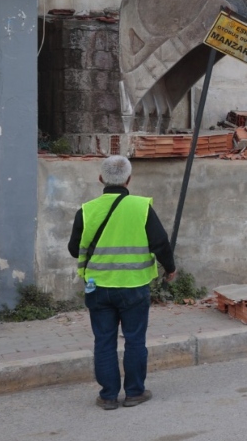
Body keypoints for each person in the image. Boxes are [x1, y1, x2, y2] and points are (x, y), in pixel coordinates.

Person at [68, 155, 176, 410]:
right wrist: (170, 269)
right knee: (135, 340)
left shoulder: (86, 211)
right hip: (134, 287)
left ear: (100, 179)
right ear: (129, 179)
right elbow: (160, 243)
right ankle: (134, 392)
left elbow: (74, 249)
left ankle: (107, 396)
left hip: (98, 287)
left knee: (103, 341)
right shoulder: (141, 207)